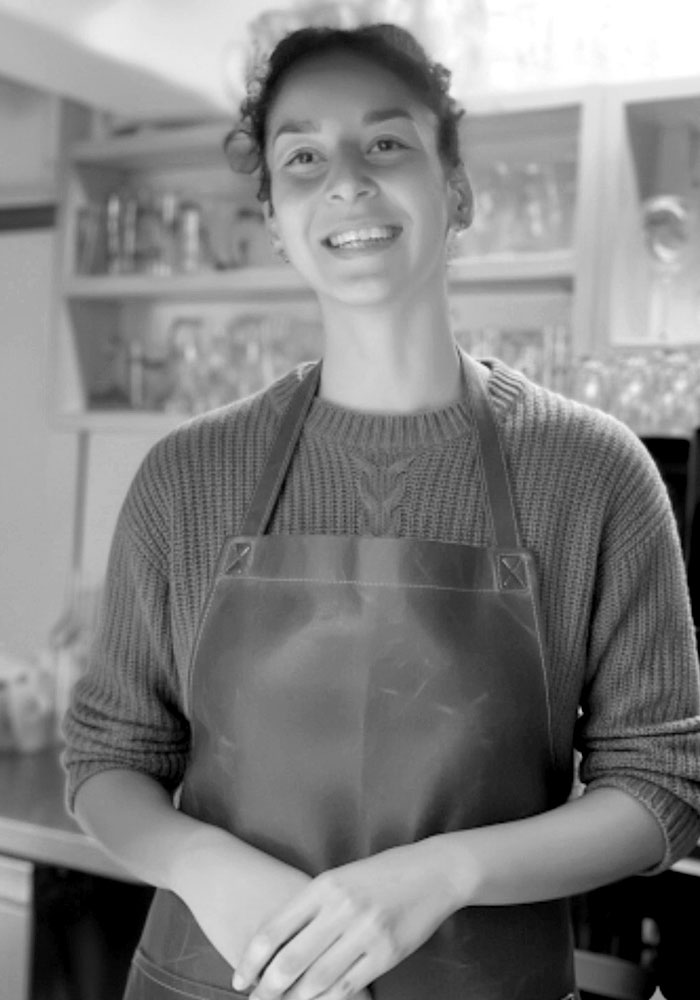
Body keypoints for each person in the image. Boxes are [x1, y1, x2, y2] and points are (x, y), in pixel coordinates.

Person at [62, 22, 700, 1000]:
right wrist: (205, 865)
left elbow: (664, 781)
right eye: (304, 157)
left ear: (458, 193)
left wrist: (443, 876)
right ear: (275, 219)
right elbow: (108, 756)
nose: (347, 182)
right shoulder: (185, 476)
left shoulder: (592, 472)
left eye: (387, 143)